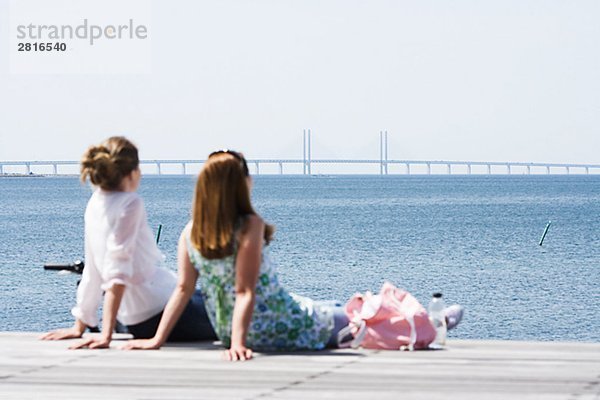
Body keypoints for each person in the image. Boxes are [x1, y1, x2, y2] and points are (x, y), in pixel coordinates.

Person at [123, 150, 463, 359]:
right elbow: (245, 291)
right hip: (277, 325)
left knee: (337, 306)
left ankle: (424, 319)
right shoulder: (248, 225)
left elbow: (183, 290)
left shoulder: (190, 231)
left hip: (228, 329)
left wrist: (157, 340)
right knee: (361, 318)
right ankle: (433, 322)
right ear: (237, 186)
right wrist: (240, 344)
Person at [40, 137, 216, 349]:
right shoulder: (130, 203)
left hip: (127, 322)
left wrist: (80, 324)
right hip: (158, 313)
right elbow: (117, 271)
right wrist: (106, 336)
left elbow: (93, 271)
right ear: (132, 172)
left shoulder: (95, 202)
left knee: (199, 293)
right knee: (229, 302)